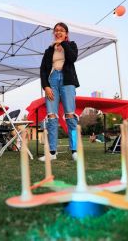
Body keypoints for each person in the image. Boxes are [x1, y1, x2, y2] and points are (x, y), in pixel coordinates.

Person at [39, 22, 79, 161]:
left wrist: (63, 43)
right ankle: (52, 152)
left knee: (70, 115)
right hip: (53, 81)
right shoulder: (49, 50)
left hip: (67, 81)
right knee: (51, 117)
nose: (58, 32)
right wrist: (46, 86)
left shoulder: (71, 45)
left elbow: (73, 58)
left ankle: (75, 151)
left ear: (66, 33)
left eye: (61, 30)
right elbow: (43, 69)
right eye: (56, 30)